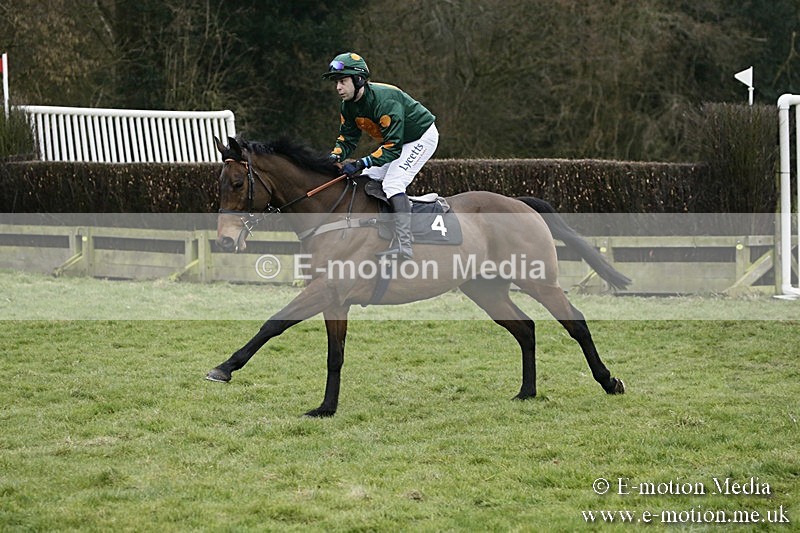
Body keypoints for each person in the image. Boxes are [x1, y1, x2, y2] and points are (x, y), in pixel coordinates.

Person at [322, 52, 438, 260]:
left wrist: (361, 162)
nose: (338, 87)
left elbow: (393, 147)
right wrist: (333, 158)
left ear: (358, 80)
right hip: (397, 142)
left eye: (342, 81)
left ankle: (404, 244)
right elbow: (347, 139)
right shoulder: (347, 106)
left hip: (420, 137)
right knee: (367, 178)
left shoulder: (385, 101)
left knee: (393, 184)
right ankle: (382, 229)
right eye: (336, 83)